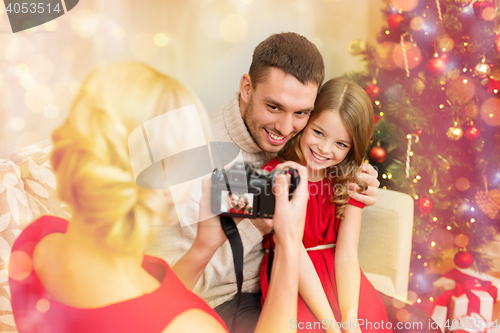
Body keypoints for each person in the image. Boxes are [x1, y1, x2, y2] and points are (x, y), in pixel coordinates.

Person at [147, 33, 439, 333]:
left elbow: (334, 144)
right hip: (228, 299)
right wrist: (262, 223)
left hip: (304, 281)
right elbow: (160, 283)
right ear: (247, 88)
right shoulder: (189, 149)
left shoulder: (301, 144)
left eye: (301, 113)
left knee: (421, 325)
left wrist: (360, 178)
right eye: (274, 107)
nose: (286, 128)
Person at [8, 62, 312, 333]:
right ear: (171, 188)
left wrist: (203, 247)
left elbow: (146, 306)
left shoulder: (39, 240)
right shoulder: (191, 325)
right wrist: (288, 241)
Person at [260, 77, 391, 333]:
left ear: (353, 148)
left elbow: (347, 253)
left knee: (367, 322)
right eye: (318, 132)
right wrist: (331, 324)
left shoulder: (350, 179)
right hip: (294, 275)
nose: (324, 149)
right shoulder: (280, 176)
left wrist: (350, 318)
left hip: (343, 278)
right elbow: (294, 253)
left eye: (341, 144)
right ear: (305, 122)